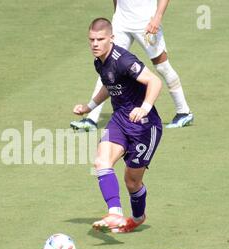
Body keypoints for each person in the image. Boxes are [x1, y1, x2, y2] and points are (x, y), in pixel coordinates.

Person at [73, 18, 162, 233]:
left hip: (144, 127)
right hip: (121, 120)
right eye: (91, 40)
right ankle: (115, 212)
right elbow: (109, 83)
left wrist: (145, 107)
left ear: (111, 38)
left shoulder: (123, 59)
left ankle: (137, 218)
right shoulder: (99, 61)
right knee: (101, 162)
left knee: (132, 182)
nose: (95, 44)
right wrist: (90, 106)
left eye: (100, 39)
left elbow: (155, 81)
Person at [71, 0, 193, 131]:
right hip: (121, 21)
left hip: (146, 21)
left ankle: (184, 112)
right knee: (108, 65)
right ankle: (91, 118)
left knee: (162, 66)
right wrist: (117, 14)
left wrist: (158, 17)